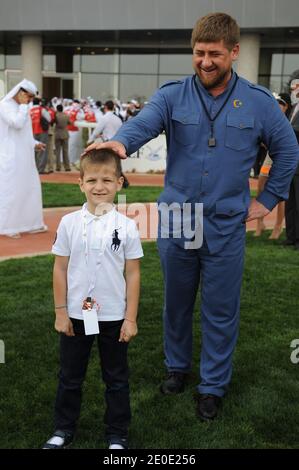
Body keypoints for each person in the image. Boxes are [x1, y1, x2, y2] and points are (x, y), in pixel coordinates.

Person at [84, 13, 299, 421]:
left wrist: (269, 199)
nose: (204, 61)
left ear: (234, 52)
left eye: (214, 54)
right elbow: (142, 125)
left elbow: (288, 151)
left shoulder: (258, 102)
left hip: (225, 221)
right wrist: (120, 143)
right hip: (178, 217)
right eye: (198, 53)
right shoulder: (171, 95)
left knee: (220, 307)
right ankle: (176, 367)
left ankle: (212, 385)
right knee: (176, 303)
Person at [43, 149, 143, 449]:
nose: (99, 186)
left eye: (107, 180)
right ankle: (63, 429)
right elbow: (60, 269)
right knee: (70, 376)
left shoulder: (127, 226)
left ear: (120, 183)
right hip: (76, 314)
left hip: (113, 316)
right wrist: (61, 311)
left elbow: (134, 274)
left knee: (116, 378)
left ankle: (117, 434)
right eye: (92, 180)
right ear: (80, 183)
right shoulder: (69, 223)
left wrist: (130, 318)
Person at [0, 79, 47, 238]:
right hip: (11, 157)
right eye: (29, 97)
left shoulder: (22, 107)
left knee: (30, 189)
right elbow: (17, 124)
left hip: (25, 157)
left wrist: (35, 143)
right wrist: (23, 105)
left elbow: (23, 134)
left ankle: (32, 224)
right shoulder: (5, 106)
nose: (30, 101)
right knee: (11, 191)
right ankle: (8, 227)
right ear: (20, 93)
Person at [254, 92, 292, 239]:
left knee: (281, 191)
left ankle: (278, 226)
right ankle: (260, 223)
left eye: (281, 103)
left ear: (286, 106)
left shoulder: (290, 119)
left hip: (285, 157)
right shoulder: (272, 118)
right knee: (261, 186)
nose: (278, 105)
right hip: (270, 155)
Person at [284, 76, 299, 248]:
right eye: (294, 86)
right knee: (290, 204)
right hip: (291, 165)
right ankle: (290, 236)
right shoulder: (293, 108)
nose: (294, 89)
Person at [54, 104, 71, 171]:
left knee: (57, 151)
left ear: (57, 109)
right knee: (65, 151)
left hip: (57, 134)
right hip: (65, 134)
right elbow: (70, 123)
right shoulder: (66, 115)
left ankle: (58, 167)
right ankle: (67, 167)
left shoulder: (55, 116)